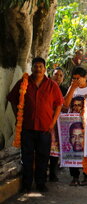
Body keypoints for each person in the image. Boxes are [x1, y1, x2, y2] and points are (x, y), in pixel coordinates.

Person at [7, 57, 64, 193]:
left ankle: (40, 183)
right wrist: (18, 117)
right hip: (27, 128)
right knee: (26, 157)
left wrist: (53, 122)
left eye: (40, 66)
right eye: (35, 66)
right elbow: (12, 99)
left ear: (44, 69)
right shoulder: (23, 83)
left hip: (45, 128)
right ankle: (26, 185)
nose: (38, 69)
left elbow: (59, 104)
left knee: (43, 158)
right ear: (31, 68)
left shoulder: (52, 85)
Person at [48, 67, 67, 182]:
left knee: (55, 149)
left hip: (59, 123)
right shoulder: (47, 87)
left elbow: (65, 106)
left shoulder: (64, 90)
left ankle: (52, 173)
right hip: (46, 121)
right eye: (56, 74)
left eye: (61, 75)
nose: (58, 77)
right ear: (51, 76)